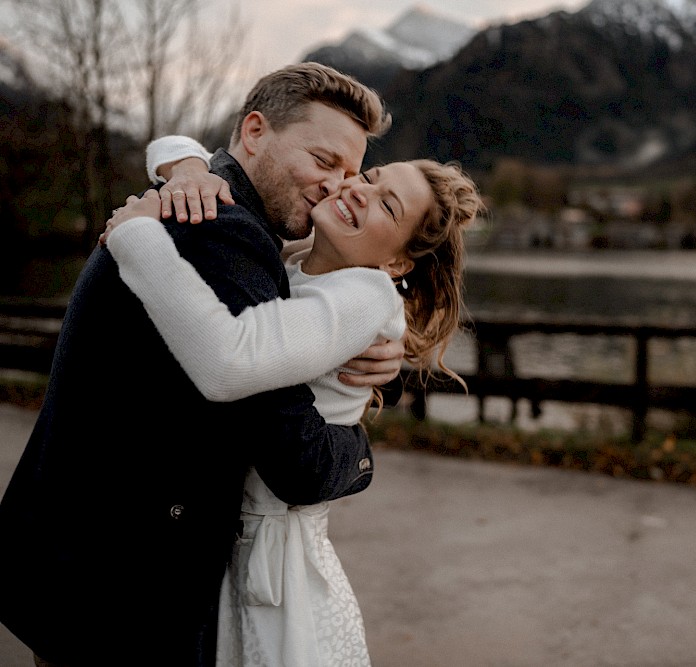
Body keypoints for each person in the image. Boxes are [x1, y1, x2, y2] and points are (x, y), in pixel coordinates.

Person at [0, 63, 405, 666]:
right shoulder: (222, 231)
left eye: (350, 172)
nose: (337, 186)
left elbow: (311, 319)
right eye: (323, 162)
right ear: (255, 131)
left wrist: (391, 366)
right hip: (125, 585)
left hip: (80, 561)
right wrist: (362, 453)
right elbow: (298, 462)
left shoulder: (220, 207)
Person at [101, 136, 481, 665]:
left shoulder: (366, 296)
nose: (361, 191)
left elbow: (228, 360)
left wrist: (137, 237)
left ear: (396, 262)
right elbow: (170, 140)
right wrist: (189, 168)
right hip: (225, 536)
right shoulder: (298, 258)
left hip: (272, 565)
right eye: (372, 177)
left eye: (388, 205)